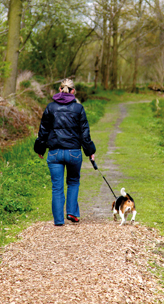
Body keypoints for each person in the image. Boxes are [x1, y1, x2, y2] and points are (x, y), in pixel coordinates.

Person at [34, 79, 96, 226]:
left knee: (57, 187)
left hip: (54, 153)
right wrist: (90, 152)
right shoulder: (79, 109)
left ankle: (59, 220)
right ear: (73, 91)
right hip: (74, 152)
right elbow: (84, 134)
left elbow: (43, 131)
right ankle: (72, 213)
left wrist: (40, 149)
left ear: (60, 89)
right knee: (73, 182)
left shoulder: (50, 107)